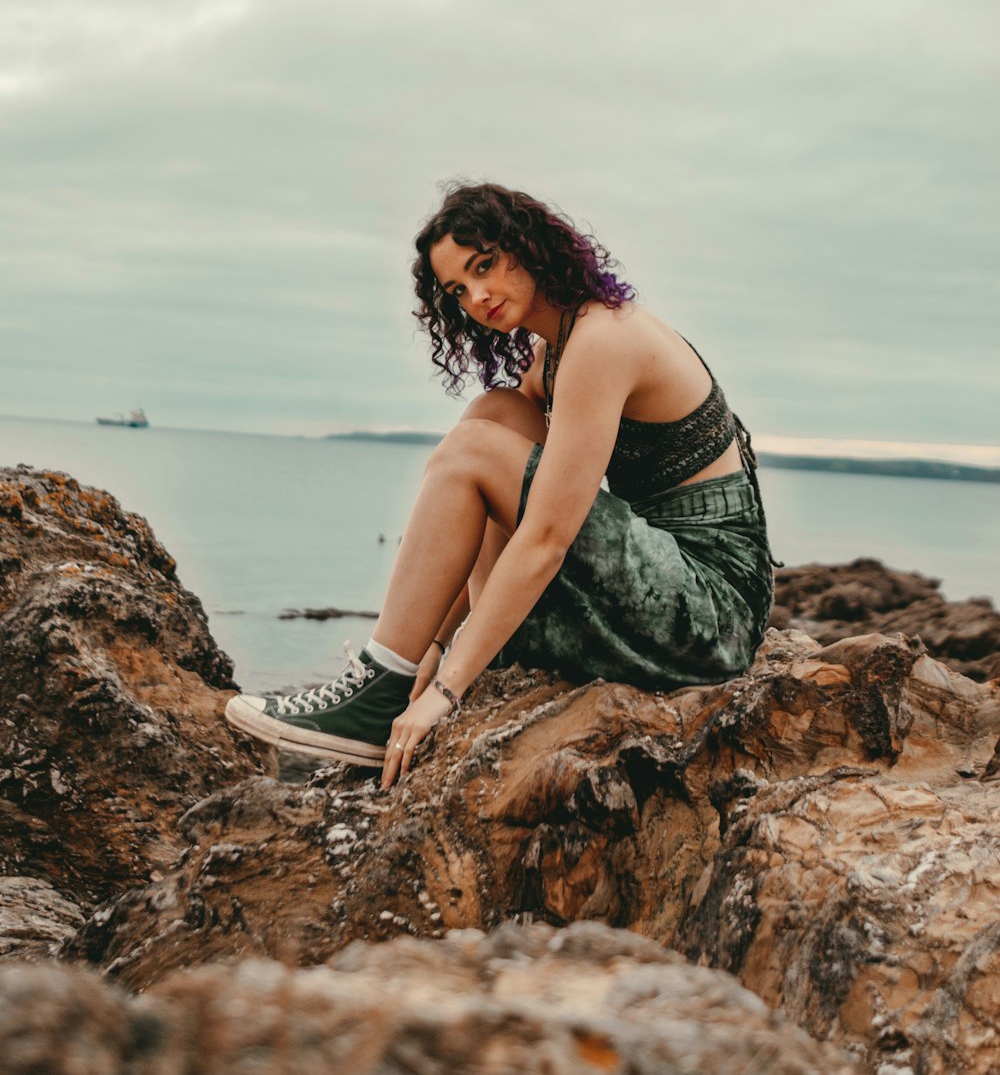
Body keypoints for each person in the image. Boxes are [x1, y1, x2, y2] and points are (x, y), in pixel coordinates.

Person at [225, 182, 779, 789]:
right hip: (663, 580)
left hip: (712, 612)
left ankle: (382, 683)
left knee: (473, 451)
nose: (477, 295)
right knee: (495, 415)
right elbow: (500, 500)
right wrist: (435, 648)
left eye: (483, 265)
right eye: (459, 289)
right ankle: (396, 671)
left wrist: (445, 690)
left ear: (527, 243)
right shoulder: (551, 359)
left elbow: (545, 536)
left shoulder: (603, 339)